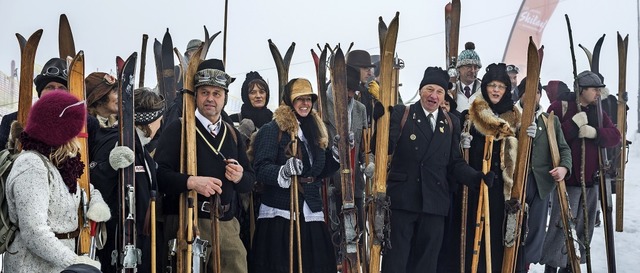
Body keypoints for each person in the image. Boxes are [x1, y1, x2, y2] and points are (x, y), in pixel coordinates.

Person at [379, 67, 486, 273]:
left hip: (434, 204)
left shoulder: (451, 122)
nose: (434, 95)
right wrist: (380, 122)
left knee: (426, 263)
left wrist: (475, 177)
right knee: (396, 262)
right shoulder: (403, 113)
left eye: (439, 92)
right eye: (429, 89)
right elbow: (385, 148)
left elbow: (455, 163)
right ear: (420, 91)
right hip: (403, 201)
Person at [155, 61, 254, 273]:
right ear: (196, 95)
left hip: (226, 224)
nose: (210, 98)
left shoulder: (232, 134)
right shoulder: (179, 128)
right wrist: (190, 181)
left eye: (217, 93)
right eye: (205, 92)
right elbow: (159, 176)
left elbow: (249, 182)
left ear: (225, 98)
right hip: (187, 222)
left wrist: (239, 177)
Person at [3, 91, 110, 273]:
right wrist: (76, 263)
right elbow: (34, 231)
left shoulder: (60, 164)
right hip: (32, 266)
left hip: (58, 263)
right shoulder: (32, 165)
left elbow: (84, 189)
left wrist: (96, 203)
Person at [250, 78, 339, 273]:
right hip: (281, 211)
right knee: (283, 265)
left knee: (315, 265)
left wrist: (337, 155)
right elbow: (260, 168)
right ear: (289, 101)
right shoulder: (272, 130)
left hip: (311, 209)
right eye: (299, 99)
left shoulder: (315, 131)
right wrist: (283, 170)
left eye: (308, 99)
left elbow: (318, 172)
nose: (305, 104)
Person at [541, 70, 621, 273]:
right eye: (594, 89)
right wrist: (572, 126)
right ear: (582, 90)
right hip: (566, 182)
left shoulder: (599, 111)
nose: (598, 94)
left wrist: (596, 133)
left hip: (592, 183)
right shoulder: (561, 106)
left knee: (583, 231)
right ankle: (552, 267)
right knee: (560, 230)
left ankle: (571, 268)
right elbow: (549, 136)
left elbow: (615, 136)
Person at [89, 87, 165, 273]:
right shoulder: (116, 141)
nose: (160, 124)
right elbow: (94, 182)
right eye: (158, 119)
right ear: (150, 120)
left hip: (139, 237)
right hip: (120, 239)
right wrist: (108, 167)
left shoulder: (140, 147)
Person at [453, 63, 520, 272]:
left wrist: (528, 137)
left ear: (507, 90)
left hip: (503, 192)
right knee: (475, 240)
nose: (496, 90)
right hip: (477, 187)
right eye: (492, 85)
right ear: (485, 87)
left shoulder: (516, 119)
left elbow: (521, 158)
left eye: (501, 86)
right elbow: (459, 158)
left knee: (498, 242)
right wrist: (463, 143)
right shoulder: (472, 116)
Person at [513, 77, 572, 272]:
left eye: (537, 92)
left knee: (536, 230)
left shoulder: (550, 120)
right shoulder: (510, 115)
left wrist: (564, 167)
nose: (533, 96)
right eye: (528, 91)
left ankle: (525, 266)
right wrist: (519, 132)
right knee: (513, 227)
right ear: (521, 94)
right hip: (515, 182)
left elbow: (563, 149)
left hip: (541, 183)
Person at [323, 65, 369, 260]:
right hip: (329, 181)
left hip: (354, 182)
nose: (350, 94)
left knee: (355, 236)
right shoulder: (322, 106)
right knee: (332, 236)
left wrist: (369, 161)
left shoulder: (360, 109)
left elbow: (365, 146)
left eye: (353, 90)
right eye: (347, 89)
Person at [0, 57, 68, 149]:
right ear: (41, 93)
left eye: (62, 88)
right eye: (50, 87)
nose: (55, 92)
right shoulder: (11, 120)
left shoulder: (86, 124)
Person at [346, 49, 377, 123]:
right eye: (366, 69)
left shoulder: (366, 93)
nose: (369, 73)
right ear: (355, 69)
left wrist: (377, 101)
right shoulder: (331, 89)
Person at [452, 42, 483, 113]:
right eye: (469, 66)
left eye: (476, 67)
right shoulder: (452, 91)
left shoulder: (484, 90)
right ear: (459, 68)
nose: (472, 71)